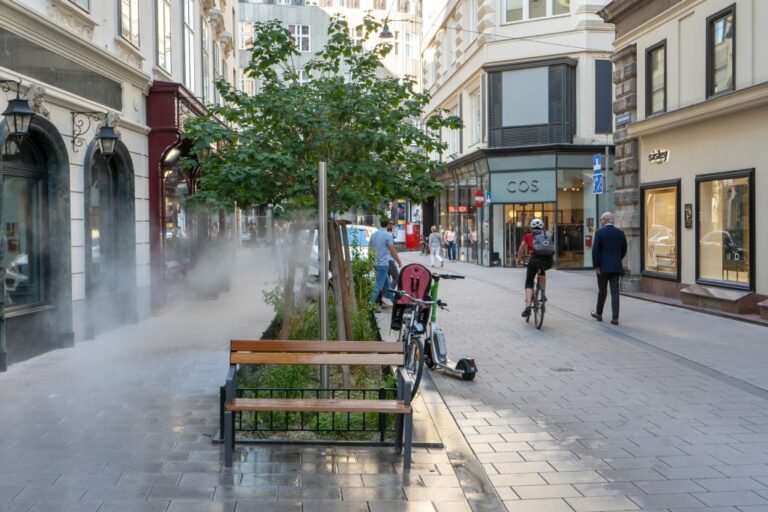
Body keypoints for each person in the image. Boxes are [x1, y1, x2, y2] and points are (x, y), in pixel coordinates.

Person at [590, 211, 627, 325]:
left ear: (605, 220)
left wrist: (596, 266)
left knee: (602, 291)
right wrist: (617, 260)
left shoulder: (599, 233)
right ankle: (615, 318)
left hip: (602, 267)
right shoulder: (620, 233)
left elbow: (595, 251)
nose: (600, 221)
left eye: (601, 219)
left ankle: (599, 313)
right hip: (616, 267)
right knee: (615, 292)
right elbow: (624, 249)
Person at [518, 218, 553, 318]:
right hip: (547, 261)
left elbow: (521, 248)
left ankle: (528, 305)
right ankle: (542, 293)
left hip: (534, 260)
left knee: (529, 281)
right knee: (542, 272)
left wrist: (518, 259)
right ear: (542, 227)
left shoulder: (528, 236)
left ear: (531, 227)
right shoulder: (547, 235)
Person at [369, 219, 402, 311]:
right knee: (378, 286)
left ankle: (396, 304)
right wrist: (398, 261)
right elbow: (392, 250)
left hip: (375, 263)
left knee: (387, 286)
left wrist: (370, 261)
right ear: (387, 225)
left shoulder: (373, 234)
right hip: (383, 263)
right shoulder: (387, 235)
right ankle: (370, 306)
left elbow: (370, 249)